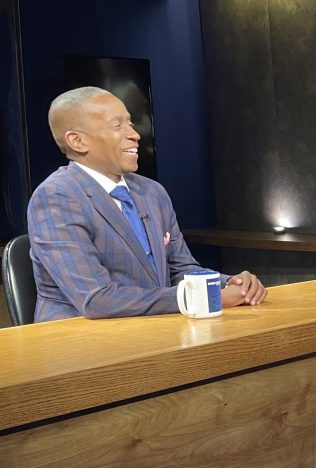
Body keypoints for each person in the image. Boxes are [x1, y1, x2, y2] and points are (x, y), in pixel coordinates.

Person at [27, 87, 267, 322]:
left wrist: (229, 283)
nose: (135, 134)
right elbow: (97, 299)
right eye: (117, 126)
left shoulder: (152, 192)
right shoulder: (56, 198)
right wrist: (202, 297)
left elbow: (180, 270)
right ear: (77, 141)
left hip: (156, 326)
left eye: (130, 123)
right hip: (82, 339)